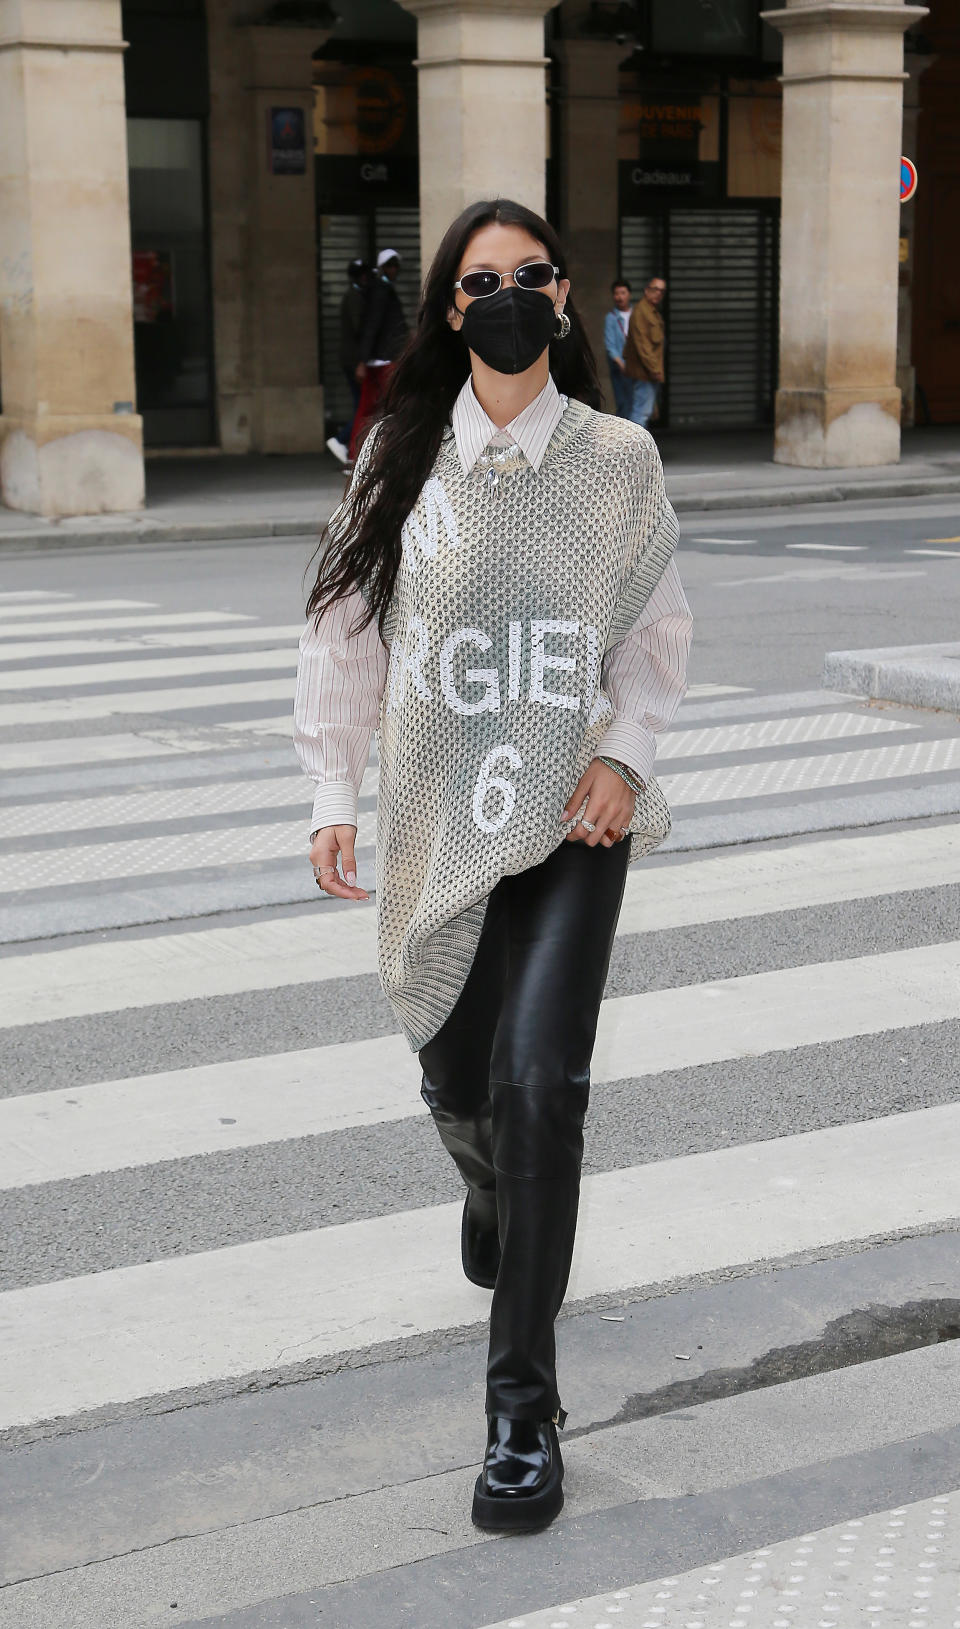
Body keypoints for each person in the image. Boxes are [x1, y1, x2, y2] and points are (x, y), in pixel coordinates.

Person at [295, 199, 692, 1534]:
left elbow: (653, 634)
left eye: (532, 275)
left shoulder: (620, 458)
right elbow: (344, 632)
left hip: (573, 814)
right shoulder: (402, 455)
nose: (508, 295)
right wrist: (327, 791)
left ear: (565, 299)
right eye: (482, 279)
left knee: (543, 1088)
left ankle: (523, 1413)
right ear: (451, 310)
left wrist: (625, 758)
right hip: (439, 809)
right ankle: (487, 1183)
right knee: (461, 1074)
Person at [348, 247, 409, 463]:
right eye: (390, 265)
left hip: (380, 358)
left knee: (369, 407)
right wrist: (362, 361)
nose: (394, 270)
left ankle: (356, 454)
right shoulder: (381, 291)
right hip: (384, 359)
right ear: (382, 268)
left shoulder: (379, 290)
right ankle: (374, 453)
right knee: (394, 404)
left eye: (396, 265)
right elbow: (372, 326)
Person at [327, 258, 371, 466]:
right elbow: (359, 329)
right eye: (362, 274)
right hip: (354, 360)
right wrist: (361, 362)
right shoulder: (355, 298)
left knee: (361, 403)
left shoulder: (356, 295)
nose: (365, 278)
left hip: (353, 359)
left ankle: (347, 442)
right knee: (362, 405)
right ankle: (342, 440)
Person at [623, 274, 666, 428]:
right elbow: (643, 345)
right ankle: (636, 450)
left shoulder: (651, 311)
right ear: (647, 290)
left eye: (662, 291)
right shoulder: (642, 312)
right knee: (641, 413)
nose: (658, 293)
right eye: (655, 289)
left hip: (647, 372)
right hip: (645, 373)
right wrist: (655, 370)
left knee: (642, 411)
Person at [603, 277, 636, 418]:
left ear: (629, 294)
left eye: (623, 293)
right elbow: (610, 345)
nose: (619, 297)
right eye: (616, 294)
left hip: (636, 367)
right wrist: (621, 364)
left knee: (636, 404)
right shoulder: (611, 318)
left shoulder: (636, 314)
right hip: (620, 368)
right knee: (624, 404)